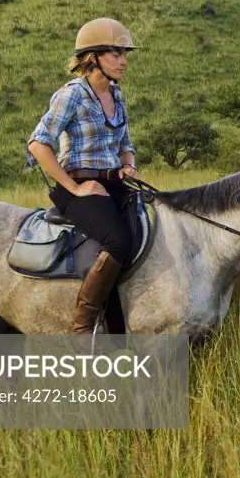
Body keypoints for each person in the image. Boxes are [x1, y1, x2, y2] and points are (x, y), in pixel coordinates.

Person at [25, 17, 141, 334]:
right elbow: (38, 145)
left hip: (114, 183)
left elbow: (125, 144)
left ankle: (121, 324)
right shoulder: (72, 95)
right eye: (115, 54)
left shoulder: (117, 95)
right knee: (119, 241)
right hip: (79, 185)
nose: (124, 60)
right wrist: (74, 188)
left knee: (153, 225)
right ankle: (83, 325)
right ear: (93, 58)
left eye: (124, 54)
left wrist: (128, 163)